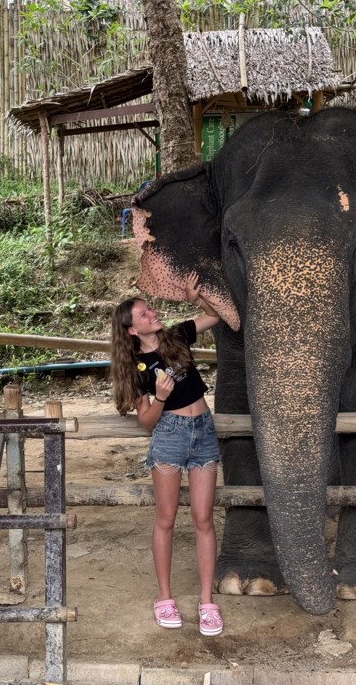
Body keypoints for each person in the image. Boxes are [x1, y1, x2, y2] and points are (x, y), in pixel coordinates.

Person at [110, 272, 223, 636]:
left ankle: (207, 604)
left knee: (204, 519)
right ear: (131, 330)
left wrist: (195, 299)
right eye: (143, 314)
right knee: (167, 519)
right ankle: (165, 599)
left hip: (203, 430)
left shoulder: (177, 336)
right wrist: (159, 396)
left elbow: (216, 317)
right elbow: (146, 421)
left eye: (150, 309)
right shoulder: (136, 368)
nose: (151, 314)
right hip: (170, 436)